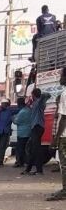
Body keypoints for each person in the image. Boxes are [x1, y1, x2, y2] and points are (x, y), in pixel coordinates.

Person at [46, 67, 66, 201]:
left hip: (65, 135)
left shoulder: (65, 94)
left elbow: (64, 118)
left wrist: (56, 138)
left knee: (64, 164)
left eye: (62, 75)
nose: (60, 78)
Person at [24, 88, 51, 176]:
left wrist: (40, 95)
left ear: (34, 95)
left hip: (37, 127)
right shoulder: (35, 103)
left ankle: (39, 170)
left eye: (32, 95)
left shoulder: (39, 102)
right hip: (35, 127)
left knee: (36, 149)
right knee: (33, 148)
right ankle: (29, 169)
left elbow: (47, 95)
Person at [0, 99, 14, 166]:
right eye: (2, 104)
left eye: (4, 104)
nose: (3, 105)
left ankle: (0, 161)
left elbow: (18, 110)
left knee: (2, 146)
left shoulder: (9, 111)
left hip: (4, 131)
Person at [13, 96, 32, 168]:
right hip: (28, 132)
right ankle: (26, 162)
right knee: (26, 149)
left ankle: (19, 162)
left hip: (22, 133)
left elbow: (16, 121)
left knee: (20, 148)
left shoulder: (22, 112)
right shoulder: (29, 110)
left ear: (19, 104)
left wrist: (13, 118)